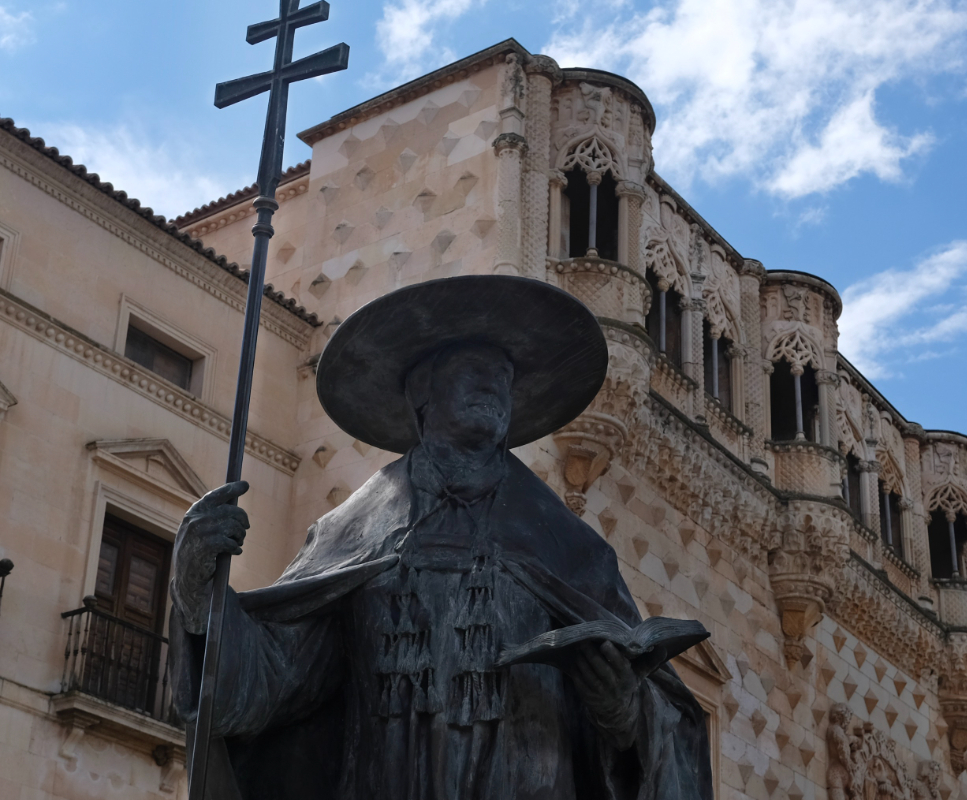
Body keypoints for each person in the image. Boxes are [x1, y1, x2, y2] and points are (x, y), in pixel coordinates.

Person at [170, 275, 711, 800]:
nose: (493, 385)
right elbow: (272, 680)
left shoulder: (571, 548)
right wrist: (199, 599)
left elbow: (666, 721)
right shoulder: (349, 533)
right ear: (421, 389)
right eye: (474, 369)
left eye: (503, 375)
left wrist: (623, 711)